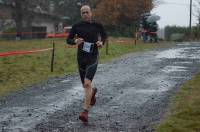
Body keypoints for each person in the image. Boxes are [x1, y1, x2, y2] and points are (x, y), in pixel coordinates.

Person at [66, 5, 107, 123]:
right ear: (81, 14)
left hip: (93, 57)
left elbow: (104, 36)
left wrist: (101, 42)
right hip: (81, 58)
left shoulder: (97, 25)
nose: (85, 14)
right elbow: (68, 39)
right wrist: (75, 41)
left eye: (87, 12)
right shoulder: (76, 26)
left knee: (87, 82)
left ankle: (85, 112)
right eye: (83, 12)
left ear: (91, 13)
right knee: (86, 85)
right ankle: (92, 93)